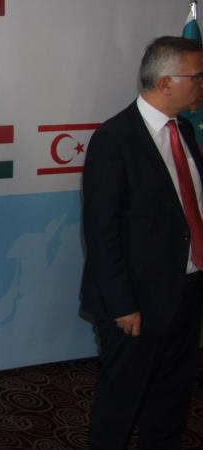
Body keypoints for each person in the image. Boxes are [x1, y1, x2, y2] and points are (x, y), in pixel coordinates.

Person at [81, 35, 203, 449]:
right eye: (195, 77)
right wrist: (122, 304)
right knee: (120, 404)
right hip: (135, 304)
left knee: (172, 400)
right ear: (165, 82)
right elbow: (101, 231)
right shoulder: (115, 139)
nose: (201, 84)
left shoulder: (184, 129)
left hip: (185, 292)